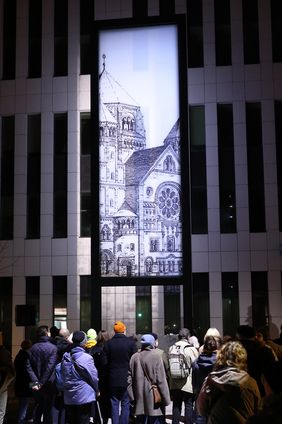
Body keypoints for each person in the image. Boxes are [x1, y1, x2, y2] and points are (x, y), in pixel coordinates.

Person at [196, 341, 260, 424]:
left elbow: (201, 410)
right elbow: (257, 411)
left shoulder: (211, 379)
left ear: (221, 357)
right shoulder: (250, 382)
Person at [128, 333, 171, 424]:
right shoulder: (156, 357)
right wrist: (166, 399)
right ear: (152, 343)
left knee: (140, 420)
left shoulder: (134, 357)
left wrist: (132, 396)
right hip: (153, 399)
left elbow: (129, 380)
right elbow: (161, 380)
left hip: (138, 397)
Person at [61, 330, 99, 424]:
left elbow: (63, 374)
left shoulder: (65, 357)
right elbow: (93, 377)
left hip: (69, 396)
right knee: (83, 420)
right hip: (83, 396)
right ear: (84, 342)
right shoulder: (86, 358)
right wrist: (97, 389)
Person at [104, 321, 137, 424]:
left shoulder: (108, 344)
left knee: (114, 403)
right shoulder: (131, 343)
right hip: (126, 378)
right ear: (124, 330)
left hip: (112, 378)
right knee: (125, 403)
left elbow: (104, 363)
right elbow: (134, 361)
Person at [26, 325, 58, 424]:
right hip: (49, 383)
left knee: (37, 407)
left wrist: (36, 382)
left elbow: (28, 367)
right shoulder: (53, 348)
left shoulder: (31, 348)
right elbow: (50, 367)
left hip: (34, 383)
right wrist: (42, 382)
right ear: (46, 333)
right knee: (48, 409)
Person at [168, 328, 199, 424]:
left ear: (178, 337)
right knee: (188, 405)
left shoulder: (171, 348)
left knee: (176, 404)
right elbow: (196, 366)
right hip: (187, 383)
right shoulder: (191, 349)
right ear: (188, 337)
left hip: (174, 382)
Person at [236, 325, 276, 396]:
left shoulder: (233, 352)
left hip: (239, 391)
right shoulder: (265, 350)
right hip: (262, 391)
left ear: (239, 336)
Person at [192, 336, 217, 424]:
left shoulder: (196, 362)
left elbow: (194, 382)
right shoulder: (220, 363)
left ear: (204, 348)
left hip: (200, 396)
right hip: (216, 397)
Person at [14, 339, 33, 424]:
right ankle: (21, 419)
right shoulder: (27, 356)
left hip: (19, 382)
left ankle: (22, 418)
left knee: (23, 402)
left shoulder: (19, 355)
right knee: (24, 403)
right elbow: (29, 372)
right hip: (26, 383)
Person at [0, 335, 15, 424]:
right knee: (1, 411)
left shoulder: (5, 352)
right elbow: (12, 372)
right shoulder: (5, 353)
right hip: (3, 386)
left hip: (4, 384)